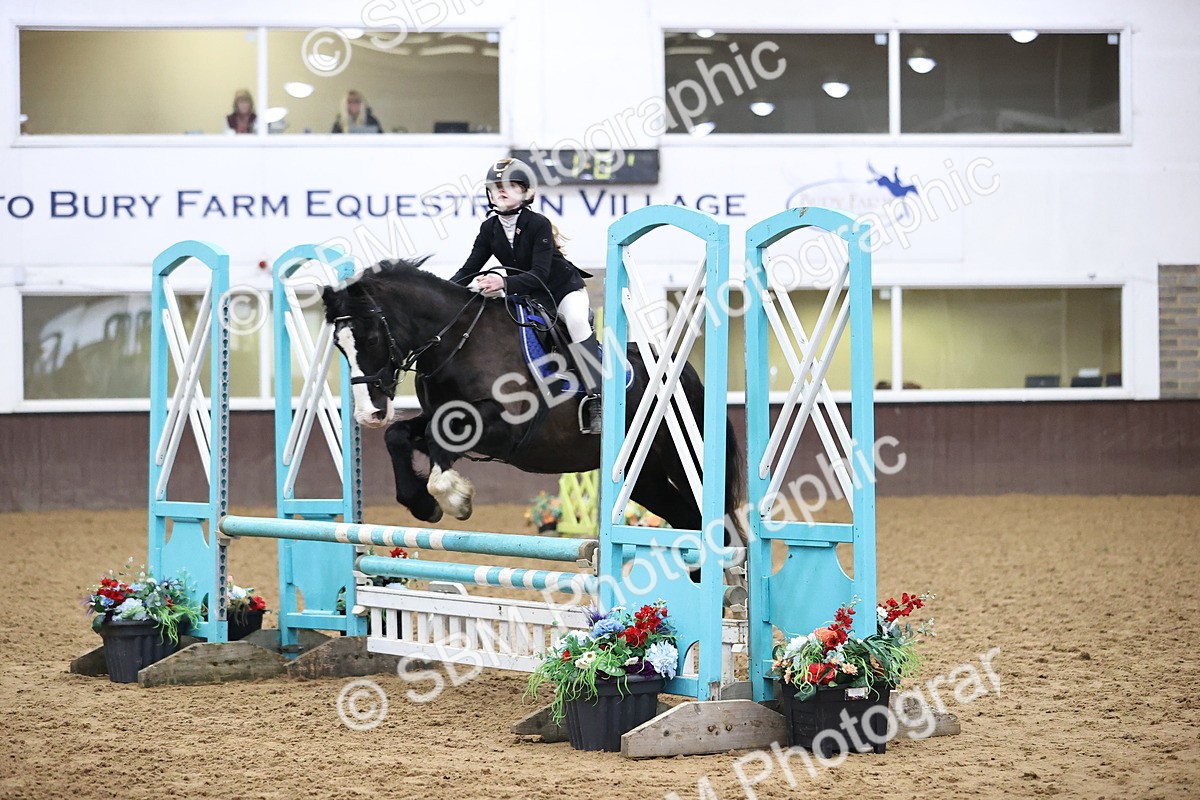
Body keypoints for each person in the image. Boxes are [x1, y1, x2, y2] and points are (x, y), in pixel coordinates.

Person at [450, 157, 602, 434]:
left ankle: (597, 397)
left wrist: (502, 282)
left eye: (510, 185)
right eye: (495, 187)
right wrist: (443, 294)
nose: (501, 191)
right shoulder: (489, 229)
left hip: (561, 291)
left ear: (526, 193)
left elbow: (539, 276)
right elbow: (468, 269)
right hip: (528, 295)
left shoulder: (538, 224)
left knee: (578, 321)